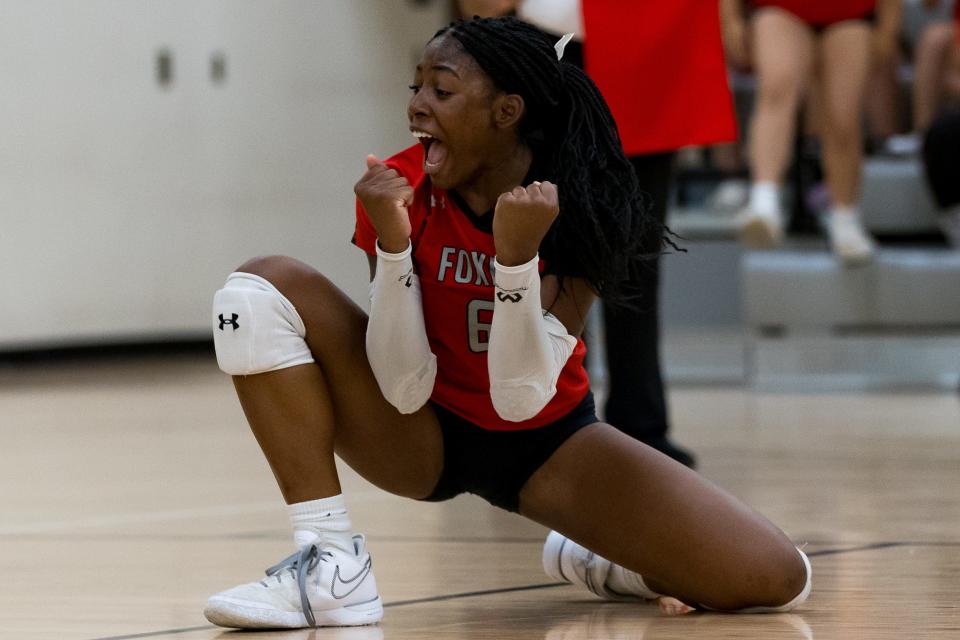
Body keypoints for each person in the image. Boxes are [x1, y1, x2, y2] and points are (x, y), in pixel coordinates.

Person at [202, 17, 811, 630]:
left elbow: (521, 400)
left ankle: (605, 562)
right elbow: (403, 384)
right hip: (418, 430)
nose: (417, 107)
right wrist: (392, 246)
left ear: (506, 110)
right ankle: (330, 562)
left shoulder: (580, 202)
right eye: (416, 88)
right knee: (257, 289)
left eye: (441, 91)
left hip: (546, 442)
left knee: (777, 577)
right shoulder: (400, 186)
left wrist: (515, 262)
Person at [457, 0, 742, 469]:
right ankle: (548, 416)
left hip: (648, 40)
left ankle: (640, 425)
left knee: (635, 251)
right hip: (541, 44)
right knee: (544, 243)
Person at [727, 0, 902, 264]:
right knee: (776, 87)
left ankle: (845, 216)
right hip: (781, 7)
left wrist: (889, 27)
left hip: (849, 13)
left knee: (843, 116)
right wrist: (730, 19)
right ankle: (764, 200)